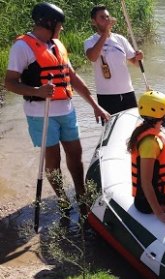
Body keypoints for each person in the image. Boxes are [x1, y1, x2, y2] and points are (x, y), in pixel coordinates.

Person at [4, 2, 110, 213]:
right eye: (59, 25)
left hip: (66, 110)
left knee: (76, 153)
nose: (61, 28)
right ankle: (62, 201)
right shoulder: (22, 47)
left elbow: (71, 76)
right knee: (53, 159)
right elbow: (9, 82)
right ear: (48, 23)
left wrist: (95, 105)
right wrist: (37, 91)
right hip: (40, 114)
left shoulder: (57, 44)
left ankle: (81, 196)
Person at [128, 90, 165, 223]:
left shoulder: (145, 128)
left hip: (163, 190)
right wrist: (160, 214)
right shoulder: (150, 143)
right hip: (150, 201)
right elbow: (146, 181)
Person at [84, 4, 143, 114]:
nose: (106, 19)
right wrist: (105, 34)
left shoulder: (120, 39)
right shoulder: (90, 41)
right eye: (102, 17)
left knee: (131, 127)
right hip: (106, 95)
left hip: (127, 92)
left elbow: (136, 63)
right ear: (94, 22)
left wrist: (140, 58)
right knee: (110, 127)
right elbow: (92, 57)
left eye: (107, 17)